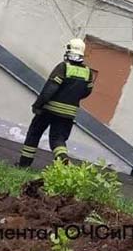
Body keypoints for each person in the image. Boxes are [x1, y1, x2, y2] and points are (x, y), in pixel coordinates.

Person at [17, 38, 95, 167]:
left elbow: (50, 88)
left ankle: (24, 164)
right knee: (57, 139)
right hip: (69, 114)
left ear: (69, 51)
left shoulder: (63, 67)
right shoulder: (88, 72)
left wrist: (38, 105)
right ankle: (62, 158)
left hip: (49, 110)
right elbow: (87, 92)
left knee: (34, 133)